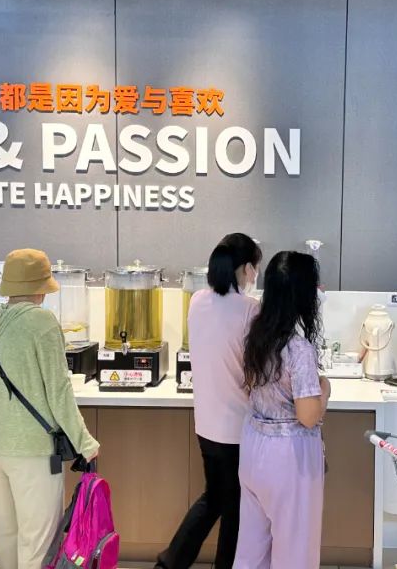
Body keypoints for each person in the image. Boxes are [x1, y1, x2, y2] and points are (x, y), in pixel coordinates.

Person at [0, 249, 100, 569]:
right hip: (35, 450)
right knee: (38, 543)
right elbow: (59, 391)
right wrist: (85, 442)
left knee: (7, 537)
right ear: (40, 287)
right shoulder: (41, 322)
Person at [157, 233, 262, 569]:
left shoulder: (197, 300)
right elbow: (257, 368)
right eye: (255, 267)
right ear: (247, 269)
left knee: (214, 498)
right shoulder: (251, 309)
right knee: (234, 508)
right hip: (237, 428)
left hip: (206, 423)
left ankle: (170, 563)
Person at [234, 251, 331, 569]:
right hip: (289, 459)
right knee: (295, 554)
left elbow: (251, 388)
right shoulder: (298, 349)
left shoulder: (255, 336)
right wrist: (325, 389)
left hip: (253, 449)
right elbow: (308, 416)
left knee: (252, 552)